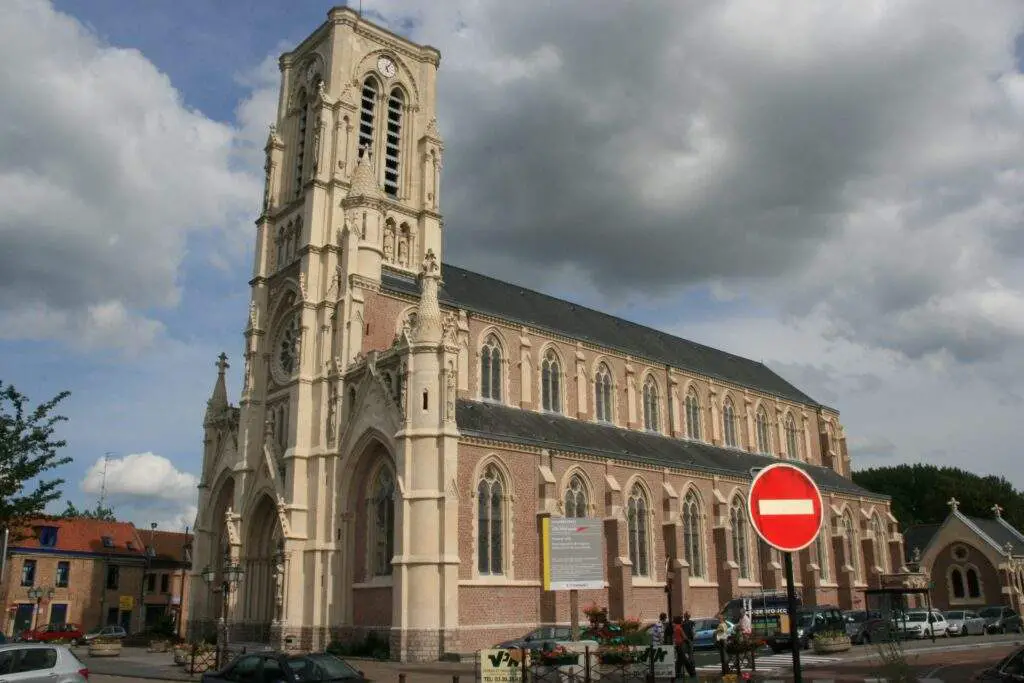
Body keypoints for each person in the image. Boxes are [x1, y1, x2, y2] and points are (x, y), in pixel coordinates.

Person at [680, 611, 697, 678]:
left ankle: (680, 671)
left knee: (682, 656)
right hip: (690, 640)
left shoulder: (682, 623)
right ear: (689, 616)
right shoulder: (692, 623)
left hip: (684, 641)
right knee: (691, 656)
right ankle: (693, 671)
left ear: (684, 616)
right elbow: (694, 632)